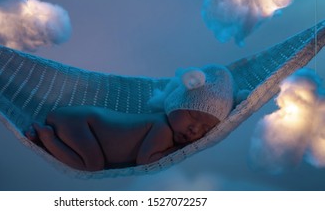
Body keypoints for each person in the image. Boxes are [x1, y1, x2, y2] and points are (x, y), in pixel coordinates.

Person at [25, 65, 235, 171]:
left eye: (206, 129)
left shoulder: (162, 126)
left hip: (80, 124)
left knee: (90, 159)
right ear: (176, 104)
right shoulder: (161, 128)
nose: (194, 130)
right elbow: (147, 162)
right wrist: (183, 150)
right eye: (192, 115)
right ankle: (48, 138)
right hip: (83, 123)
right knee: (92, 165)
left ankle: (46, 140)